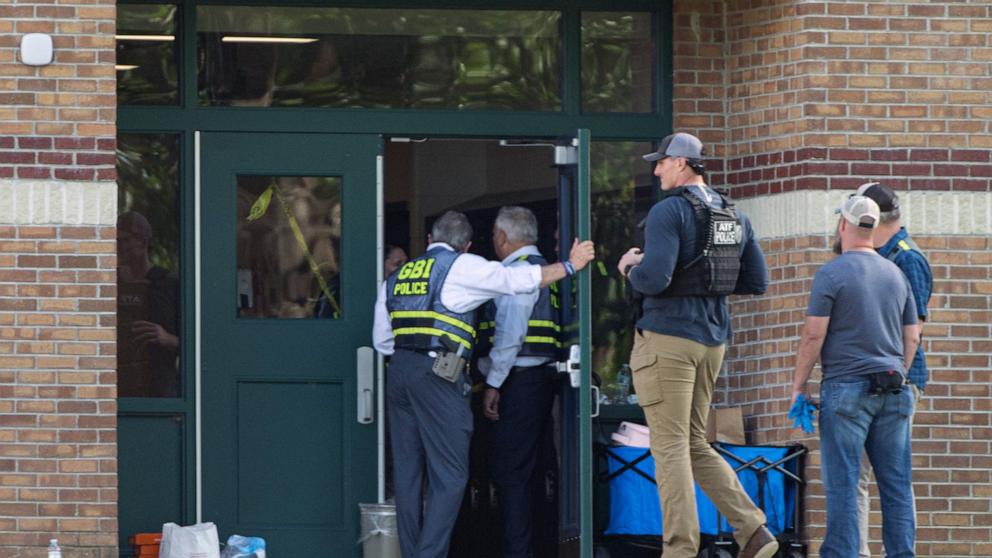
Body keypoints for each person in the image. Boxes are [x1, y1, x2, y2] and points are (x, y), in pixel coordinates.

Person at [372, 210, 594, 558]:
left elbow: (382, 342)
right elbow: (519, 281)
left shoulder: (399, 275)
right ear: (468, 245)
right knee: (451, 475)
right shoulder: (463, 266)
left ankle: (413, 551)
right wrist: (570, 265)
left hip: (399, 371)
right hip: (439, 375)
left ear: (430, 240)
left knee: (408, 473)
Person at [616, 132, 776, 558]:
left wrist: (630, 267)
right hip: (712, 341)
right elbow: (756, 281)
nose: (656, 170)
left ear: (682, 164)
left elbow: (654, 279)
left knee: (668, 447)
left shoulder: (669, 212)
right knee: (692, 443)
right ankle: (754, 531)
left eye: (662, 162)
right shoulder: (733, 215)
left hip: (668, 340)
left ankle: (679, 551)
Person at [791, 195, 919, 558]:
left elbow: (814, 335)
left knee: (844, 484)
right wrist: (900, 372)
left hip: (846, 390)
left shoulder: (831, 273)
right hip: (894, 387)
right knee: (896, 485)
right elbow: (912, 336)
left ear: (843, 225)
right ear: (875, 228)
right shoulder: (897, 273)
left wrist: (798, 386)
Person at [475, 206, 559, 558]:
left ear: (502, 237)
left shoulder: (517, 275)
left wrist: (493, 384)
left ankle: (518, 551)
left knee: (513, 476)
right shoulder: (547, 271)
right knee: (534, 472)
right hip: (542, 382)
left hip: (519, 383)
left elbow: (510, 336)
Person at [854, 182, 932, 557]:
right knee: (864, 474)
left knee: (887, 476)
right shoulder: (881, 254)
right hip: (878, 379)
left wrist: (895, 375)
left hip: (895, 382)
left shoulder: (906, 258)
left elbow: (912, 331)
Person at [117, 211, 180, 398]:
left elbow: (201, 344)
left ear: (143, 242)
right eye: (115, 240)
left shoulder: (168, 283)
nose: (119, 246)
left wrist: (167, 338)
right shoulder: (108, 283)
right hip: (117, 384)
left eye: (125, 240)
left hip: (158, 387)